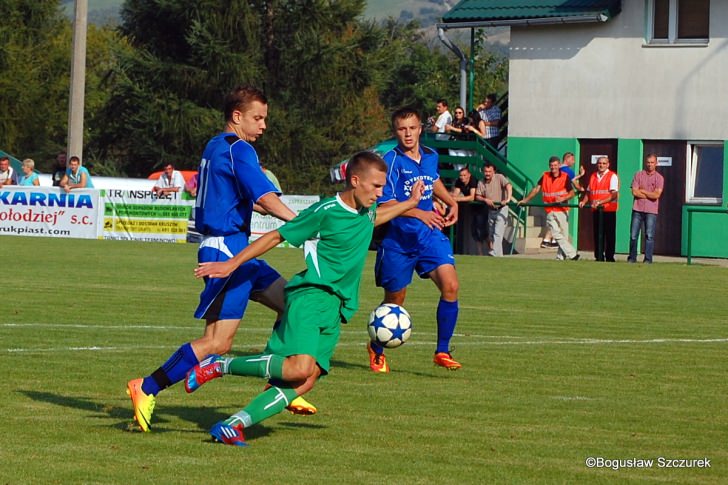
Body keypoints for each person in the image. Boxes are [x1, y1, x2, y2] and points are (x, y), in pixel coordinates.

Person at [185, 152, 425, 446]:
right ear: (355, 180)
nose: (380, 193)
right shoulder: (325, 211)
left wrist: (411, 204)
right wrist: (230, 265)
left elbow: (377, 218)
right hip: (311, 296)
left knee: (306, 379)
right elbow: (276, 236)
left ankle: (234, 425)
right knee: (298, 367)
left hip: (335, 308)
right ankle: (219, 365)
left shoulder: (366, 212)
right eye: (375, 186)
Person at [126, 86, 314, 433]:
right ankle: (147, 387)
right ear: (237, 117)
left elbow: (242, 198)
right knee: (217, 343)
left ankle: (282, 383)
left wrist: (269, 210)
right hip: (228, 251)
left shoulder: (216, 145)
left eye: (265, 119)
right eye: (258, 118)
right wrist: (304, 223)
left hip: (235, 249)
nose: (263, 126)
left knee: (295, 305)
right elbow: (267, 198)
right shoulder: (240, 149)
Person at [368, 106, 462, 373]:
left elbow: (433, 181)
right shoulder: (390, 161)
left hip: (428, 236)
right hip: (397, 241)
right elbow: (385, 204)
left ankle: (442, 351)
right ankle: (376, 348)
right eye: (402, 129)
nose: (407, 134)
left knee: (451, 286)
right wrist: (419, 212)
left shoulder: (431, 155)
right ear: (395, 131)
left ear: (421, 128)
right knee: (395, 301)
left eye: (412, 128)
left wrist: (450, 200)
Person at [518, 156, 579, 261]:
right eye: (551, 165)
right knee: (555, 233)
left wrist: (563, 198)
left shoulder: (565, 177)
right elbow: (536, 189)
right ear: (549, 166)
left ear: (559, 165)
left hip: (562, 210)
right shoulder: (545, 176)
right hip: (549, 210)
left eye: (555, 165)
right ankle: (572, 253)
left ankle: (560, 258)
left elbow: (572, 193)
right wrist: (526, 200)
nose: (553, 167)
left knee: (563, 235)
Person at [540, 152, 585, 248]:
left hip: (550, 205)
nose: (574, 162)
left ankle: (548, 240)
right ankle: (557, 244)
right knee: (562, 227)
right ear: (567, 159)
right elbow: (574, 184)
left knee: (554, 225)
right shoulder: (568, 172)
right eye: (572, 159)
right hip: (561, 206)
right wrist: (581, 189)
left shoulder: (556, 172)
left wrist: (580, 175)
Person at [579, 156, 619, 262]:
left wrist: (600, 202)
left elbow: (614, 194)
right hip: (596, 210)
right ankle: (599, 256)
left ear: (608, 164)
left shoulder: (612, 176)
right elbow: (589, 192)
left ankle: (610, 257)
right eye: (599, 163)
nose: (601, 165)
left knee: (609, 235)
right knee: (597, 234)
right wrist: (584, 201)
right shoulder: (593, 176)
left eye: (604, 163)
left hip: (608, 210)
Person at [628, 153, 664, 264]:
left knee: (649, 235)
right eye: (648, 162)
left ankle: (648, 259)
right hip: (637, 209)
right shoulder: (638, 175)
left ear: (656, 163)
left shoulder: (659, 178)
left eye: (652, 162)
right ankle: (632, 258)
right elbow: (634, 191)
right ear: (645, 162)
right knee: (633, 235)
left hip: (651, 211)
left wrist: (642, 191)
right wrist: (649, 194)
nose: (650, 164)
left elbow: (656, 195)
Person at [476, 164, 513, 257]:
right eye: (485, 171)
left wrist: (508, 199)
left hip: (502, 208)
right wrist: (485, 200)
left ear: (494, 172)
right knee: (492, 234)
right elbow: (477, 196)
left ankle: (494, 252)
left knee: (498, 232)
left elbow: (509, 186)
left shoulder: (499, 177)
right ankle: (499, 257)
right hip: (491, 210)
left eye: (489, 172)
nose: (487, 174)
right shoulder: (481, 182)